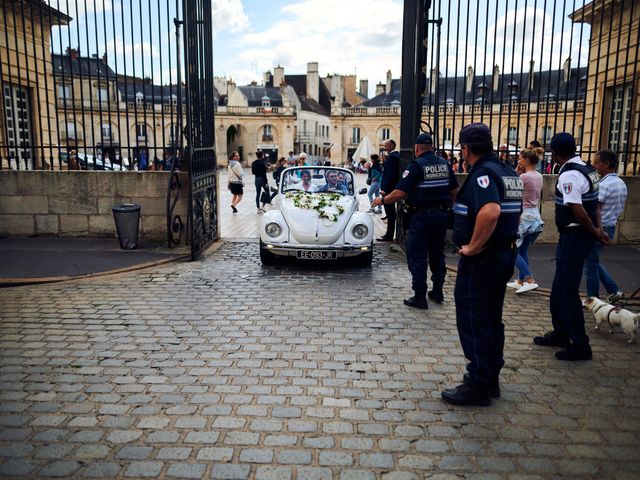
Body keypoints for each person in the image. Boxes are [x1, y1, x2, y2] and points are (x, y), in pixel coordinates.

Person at [441, 123, 523, 406]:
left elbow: (490, 212)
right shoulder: (507, 171)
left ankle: (478, 384)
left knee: (474, 318)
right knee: (491, 318)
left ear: (465, 149)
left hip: (484, 258)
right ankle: (490, 377)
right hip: (503, 253)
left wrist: (472, 248)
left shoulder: (483, 174)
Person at [533, 133, 609, 361]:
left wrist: (596, 231)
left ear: (554, 154)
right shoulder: (588, 169)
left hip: (575, 235)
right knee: (559, 286)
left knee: (567, 290)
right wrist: (599, 228)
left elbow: (578, 210)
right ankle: (561, 332)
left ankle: (580, 345)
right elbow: (594, 204)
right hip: (581, 233)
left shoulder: (570, 175)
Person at [372, 133, 458, 309]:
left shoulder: (417, 165)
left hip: (422, 217)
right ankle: (437, 291)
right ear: (432, 147)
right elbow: (455, 190)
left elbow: (400, 193)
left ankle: (420, 296)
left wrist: (382, 200)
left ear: (417, 148)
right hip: (441, 216)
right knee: (437, 254)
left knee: (417, 255)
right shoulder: (444, 164)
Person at [583, 149, 627, 303]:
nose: (593, 165)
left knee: (590, 265)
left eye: (596, 162)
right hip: (610, 224)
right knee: (592, 261)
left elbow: (596, 209)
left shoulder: (605, 185)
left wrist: (597, 229)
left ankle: (593, 299)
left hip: (600, 226)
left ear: (606, 164)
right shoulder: (620, 183)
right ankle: (612, 290)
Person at [507, 148, 544, 293]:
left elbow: (510, 186)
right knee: (522, 250)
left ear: (527, 160)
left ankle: (529, 279)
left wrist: (516, 172)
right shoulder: (538, 175)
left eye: (520, 158)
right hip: (535, 215)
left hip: (524, 216)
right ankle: (521, 280)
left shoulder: (524, 177)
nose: (518, 160)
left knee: (512, 249)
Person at [378, 139, 401, 241]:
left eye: (386, 146)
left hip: (389, 190)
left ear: (392, 146)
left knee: (390, 213)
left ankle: (389, 235)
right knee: (391, 213)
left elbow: (390, 175)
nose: (385, 148)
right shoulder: (396, 156)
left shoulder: (392, 157)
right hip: (393, 188)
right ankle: (390, 234)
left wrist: (385, 189)